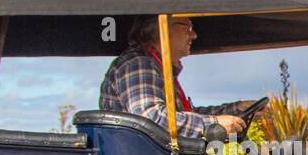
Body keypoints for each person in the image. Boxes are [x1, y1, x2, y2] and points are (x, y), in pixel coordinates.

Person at [99, 16, 248, 138]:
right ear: (161, 28)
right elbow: (153, 118)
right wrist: (214, 124)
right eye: (187, 28)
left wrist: (237, 109)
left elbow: (185, 115)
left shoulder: (154, 66)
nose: (194, 35)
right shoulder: (139, 63)